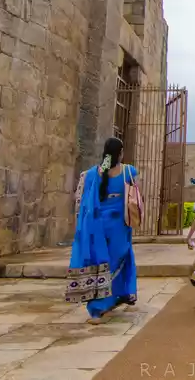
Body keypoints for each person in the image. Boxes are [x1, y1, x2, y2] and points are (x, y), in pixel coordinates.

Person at [65, 137, 139, 324]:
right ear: (121, 153)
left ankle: (98, 308)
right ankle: (114, 298)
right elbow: (137, 197)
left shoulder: (92, 174)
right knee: (117, 262)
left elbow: (81, 199)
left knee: (100, 264)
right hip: (119, 227)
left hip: (97, 227)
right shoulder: (129, 172)